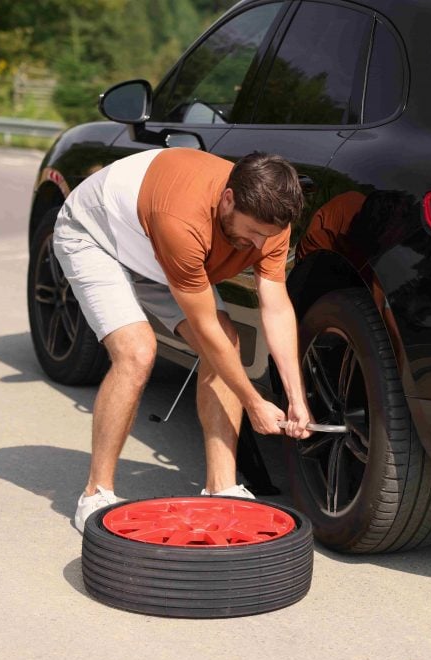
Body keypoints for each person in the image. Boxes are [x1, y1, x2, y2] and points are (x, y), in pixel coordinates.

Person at [52, 148, 314, 533]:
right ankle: (96, 493)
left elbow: (275, 307)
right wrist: (253, 402)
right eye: (254, 232)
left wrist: (297, 398)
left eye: (268, 236)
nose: (260, 245)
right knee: (137, 352)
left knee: (229, 340)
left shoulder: (272, 218)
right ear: (229, 199)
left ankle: (222, 487)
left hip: (154, 249)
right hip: (96, 237)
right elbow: (204, 331)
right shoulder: (182, 218)